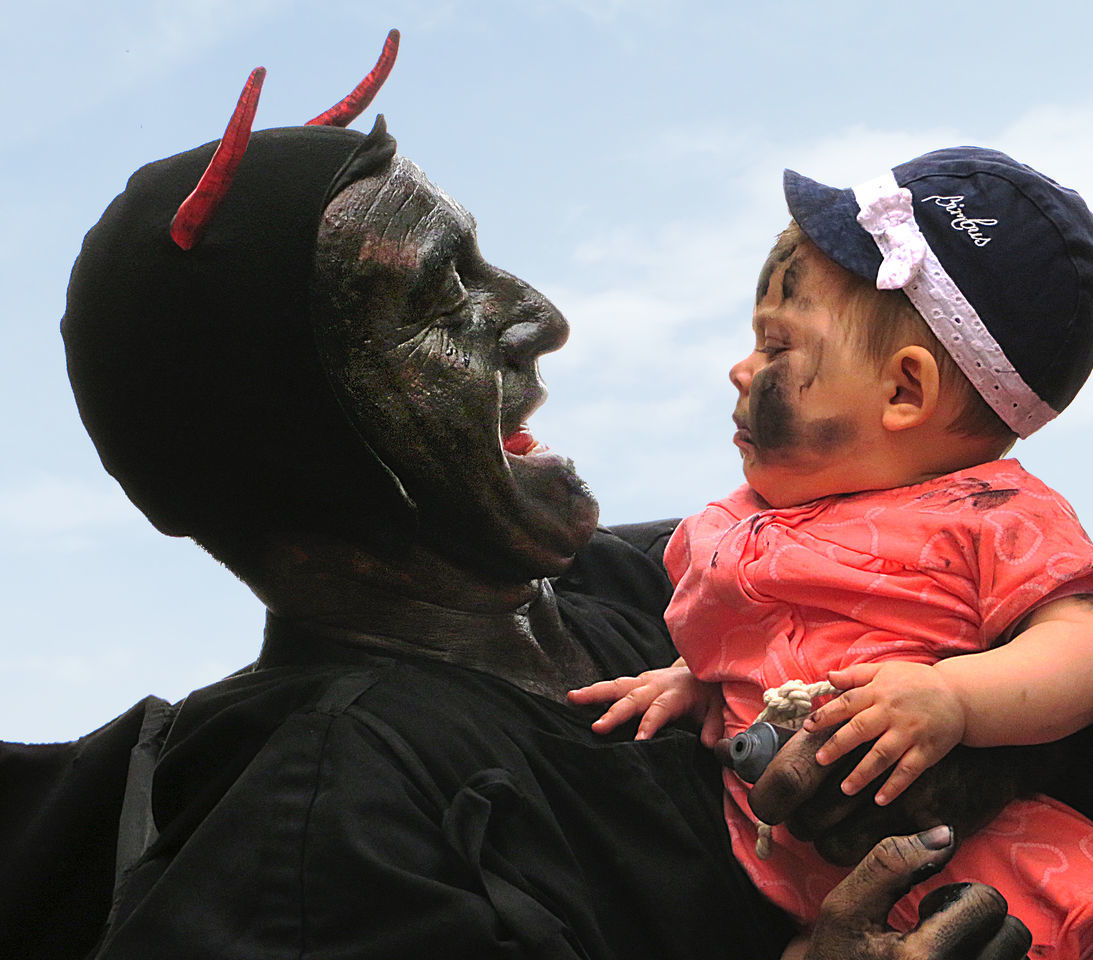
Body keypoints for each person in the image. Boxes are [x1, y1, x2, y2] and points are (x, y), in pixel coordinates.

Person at [0, 41, 1034, 960]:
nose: (535, 315)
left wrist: (963, 737)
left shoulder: (681, 578)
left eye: (480, 262)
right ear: (301, 439)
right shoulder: (325, 833)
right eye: (435, 298)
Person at [569, 148, 1093, 959]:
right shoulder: (729, 528)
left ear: (905, 392)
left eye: (776, 347)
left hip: (987, 852)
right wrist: (698, 685)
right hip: (813, 898)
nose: (740, 369)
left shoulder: (991, 511)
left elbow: (1088, 648)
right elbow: (751, 651)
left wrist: (954, 699)